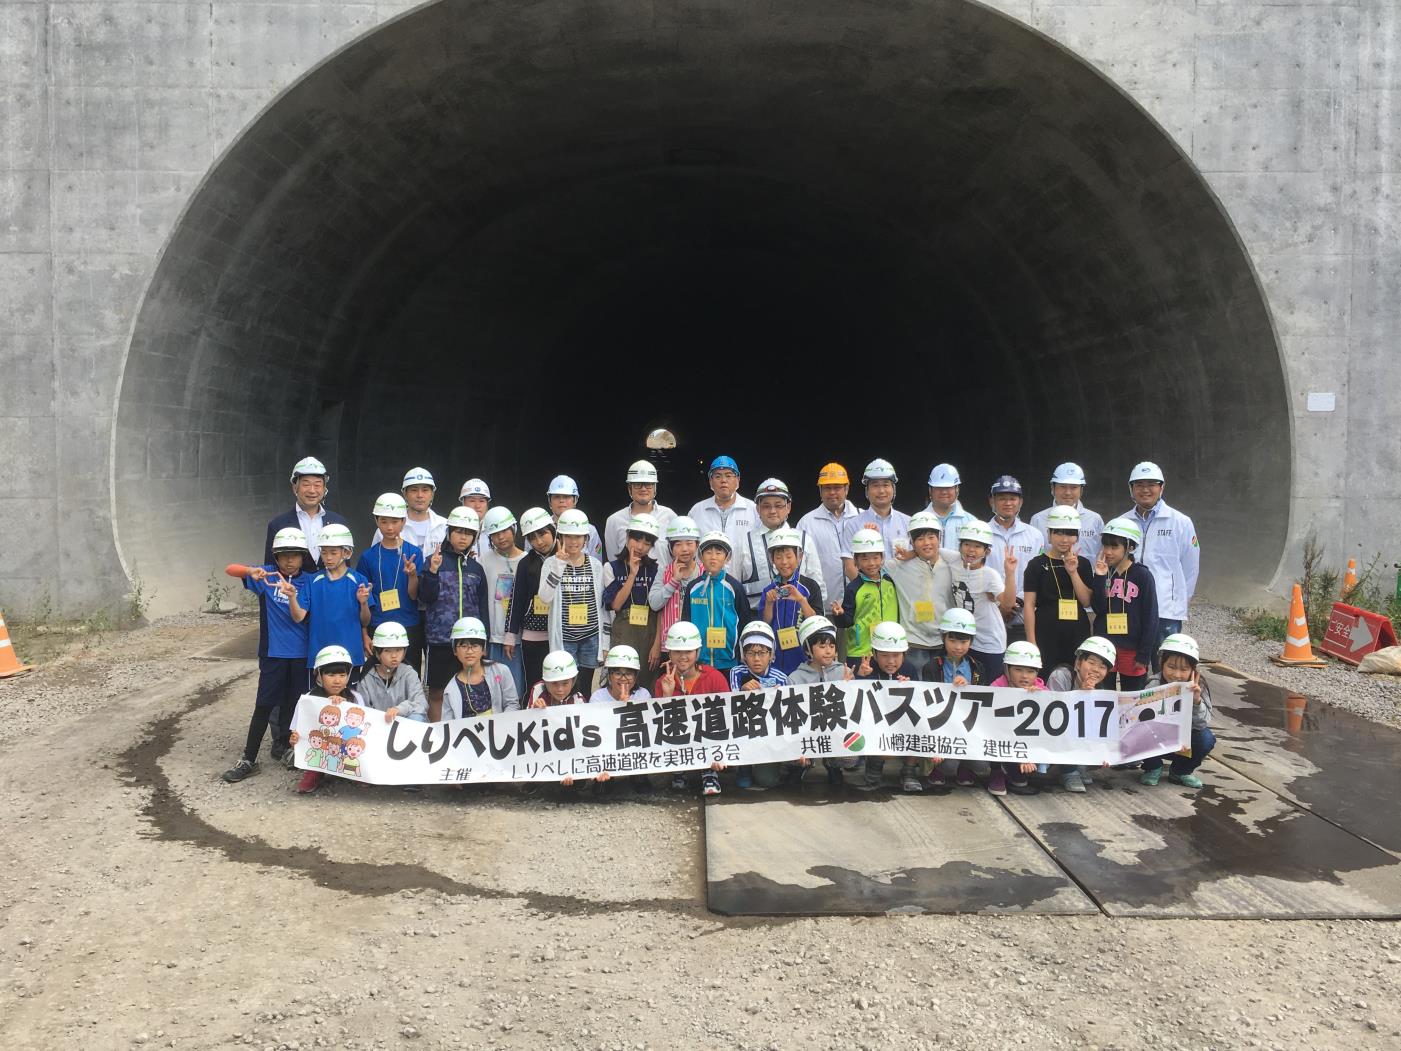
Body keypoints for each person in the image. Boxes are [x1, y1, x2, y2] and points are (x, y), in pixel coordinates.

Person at [221, 526, 312, 783]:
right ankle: (249, 758)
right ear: (275, 557)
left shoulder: (309, 582)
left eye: (294, 555)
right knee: (264, 705)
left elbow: (300, 616)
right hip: (274, 653)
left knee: (298, 705)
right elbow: (230, 569)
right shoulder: (267, 575)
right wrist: (252, 571)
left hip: (301, 655)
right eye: (283, 555)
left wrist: (292, 596)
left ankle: (295, 750)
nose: (289, 560)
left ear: (303, 556)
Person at [418, 506, 490, 718]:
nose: (463, 537)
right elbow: (425, 597)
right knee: (438, 691)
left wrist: (482, 640)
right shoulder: (434, 560)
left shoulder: (476, 568)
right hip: (440, 639)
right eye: (458, 531)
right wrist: (432, 571)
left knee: (469, 688)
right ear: (449, 533)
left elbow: (482, 605)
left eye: (468, 533)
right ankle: (438, 737)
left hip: (469, 642)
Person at [1124, 461, 1200, 661]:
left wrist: (1182, 599)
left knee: (1167, 665)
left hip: (1166, 609)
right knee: (1134, 667)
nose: (1145, 490)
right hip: (1131, 607)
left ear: (1161, 487)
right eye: (1139, 484)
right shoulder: (1122, 523)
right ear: (1131, 489)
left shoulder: (1180, 522)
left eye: (1152, 484)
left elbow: (1191, 566)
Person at [284, 523, 374, 683]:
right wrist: (292, 597)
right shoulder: (313, 581)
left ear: (347, 552)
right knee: (320, 703)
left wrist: (364, 603)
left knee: (348, 703)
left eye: (333, 552)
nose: (328, 557)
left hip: (350, 654)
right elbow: (298, 617)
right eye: (324, 552)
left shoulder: (358, 580)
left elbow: (365, 621)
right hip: (319, 655)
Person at [653, 621, 731, 796]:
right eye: (677, 652)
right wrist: (667, 695)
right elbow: (657, 723)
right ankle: (679, 770)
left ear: (697, 652)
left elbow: (728, 714)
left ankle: (709, 771)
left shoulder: (714, 677)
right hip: (679, 736)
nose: (683, 657)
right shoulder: (662, 682)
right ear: (670, 654)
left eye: (688, 651)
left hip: (708, 737)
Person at [537, 508, 609, 681]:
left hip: (591, 636)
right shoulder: (551, 563)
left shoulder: (595, 565)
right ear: (560, 538)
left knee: (586, 684)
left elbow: (602, 605)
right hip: (565, 637)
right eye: (568, 536)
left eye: (578, 537)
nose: (573, 541)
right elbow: (545, 598)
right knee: (566, 680)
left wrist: (605, 641)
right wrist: (559, 566)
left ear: (586, 539)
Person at [1022, 505, 1094, 673]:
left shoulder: (1082, 563)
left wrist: (1073, 572)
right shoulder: (1036, 564)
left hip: (1076, 631)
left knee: (1076, 678)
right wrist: (1032, 642)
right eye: (1058, 533)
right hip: (1046, 632)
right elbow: (1029, 605)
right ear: (1049, 534)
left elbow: (1086, 601)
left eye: (1069, 533)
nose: (1064, 539)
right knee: (1046, 678)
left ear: (1077, 536)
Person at [357, 493, 424, 673]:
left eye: (395, 521)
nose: (389, 527)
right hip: (377, 624)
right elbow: (362, 601)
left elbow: (413, 595)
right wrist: (364, 635)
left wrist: (412, 575)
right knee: (377, 677)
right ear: (376, 521)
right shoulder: (367, 556)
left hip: (408, 624)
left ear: (403, 521)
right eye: (384, 521)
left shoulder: (413, 552)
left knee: (409, 676)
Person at [855, 622, 924, 794]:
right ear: (875, 654)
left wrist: (909, 687)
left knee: (919, 726)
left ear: (904, 654)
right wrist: (861, 677)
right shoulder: (867, 668)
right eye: (885, 655)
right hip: (877, 722)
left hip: (901, 722)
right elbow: (855, 701)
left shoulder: (909, 669)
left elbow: (920, 703)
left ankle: (909, 770)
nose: (891, 661)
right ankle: (874, 765)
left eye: (896, 655)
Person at [1091, 517, 1159, 690]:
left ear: (1130, 547)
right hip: (1106, 647)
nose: (1108, 551)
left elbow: (1151, 617)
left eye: (1114, 547)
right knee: (1105, 696)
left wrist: (1144, 654)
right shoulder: (1105, 572)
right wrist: (1099, 576)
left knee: (1132, 699)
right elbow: (1097, 608)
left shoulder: (1143, 576)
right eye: (1105, 546)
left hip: (1132, 649)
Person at [885, 511, 954, 680]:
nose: (927, 543)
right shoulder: (899, 566)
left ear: (939, 537)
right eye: (920, 539)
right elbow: (870, 563)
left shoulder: (952, 565)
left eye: (931, 537)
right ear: (912, 542)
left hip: (943, 641)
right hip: (913, 642)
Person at [1139, 633, 1214, 789]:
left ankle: (1180, 771)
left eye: (1184, 669)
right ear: (1162, 663)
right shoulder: (1153, 685)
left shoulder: (1199, 687)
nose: (1176, 674)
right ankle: (1153, 767)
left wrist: (1196, 701)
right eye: (1171, 667)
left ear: (1193, 670)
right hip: (1157, 741)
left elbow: (1202, 724)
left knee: (1206, 738)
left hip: (1182, 745)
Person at [788, 616, 856, 785]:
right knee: (788, 752)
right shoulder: (795, 677)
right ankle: (802, 765)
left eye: (832, 646)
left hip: (835, 729)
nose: (828, 651)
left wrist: (848, 686)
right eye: (822, 646)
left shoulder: (843, 672)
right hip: (806, 731)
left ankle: (833, 764)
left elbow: (853, 707)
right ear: (808, 649)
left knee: (851, 757)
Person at [1044, 636, 1117, 793]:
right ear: (1078, 662)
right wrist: (1081, 694)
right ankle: (1068, 771)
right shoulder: (1061, 676)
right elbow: (1054, 714)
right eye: (1091, 662)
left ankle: (1080, 764)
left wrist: (1105, 752)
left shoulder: (1101, 691)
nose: (1096, 670)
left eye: (1103, 666)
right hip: (1053, 731)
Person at [947, 520, 1016, 681]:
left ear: (987, 552)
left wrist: (1010, 573)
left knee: (989, 690)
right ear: (960, 546)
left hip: (989, 643)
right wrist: (909, 554)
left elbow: (1007, 604)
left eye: (978, 546)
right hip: (964, 642)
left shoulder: (989, 575)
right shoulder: (954, 560)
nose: (971, 550)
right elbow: (931, 551)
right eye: (967, 544)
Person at [729, 622, 794, 792]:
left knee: (767, 780)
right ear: (743, 654)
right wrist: (742, 690)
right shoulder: (736, 672)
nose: (757, 658)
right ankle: (744, 768)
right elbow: (730, 705)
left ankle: (773, 764)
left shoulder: (780, 677)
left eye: (762, 653)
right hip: (745, 729)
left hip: (769, 734)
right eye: (751, 653)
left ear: (771, 654)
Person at [290, 645, 362, 794]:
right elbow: (297, 729)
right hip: (321, 747)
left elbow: (361, 728)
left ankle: (355, 768)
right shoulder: (308, 700)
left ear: (349, 676)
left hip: (346, 747)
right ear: (319, 675)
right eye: (331, 675)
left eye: (342, 675)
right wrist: (295, 738)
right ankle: (315, 772)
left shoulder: (356, 698)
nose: (337, 680)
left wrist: (344, 705)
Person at [926, 608, 986, 788]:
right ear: (943, 638)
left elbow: (984, 699)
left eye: (964, 641)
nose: (958, 646)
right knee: (947, 763)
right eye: (952, 640)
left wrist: (968, 686)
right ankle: (934, 768)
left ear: (971, 641)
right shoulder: (932, 666)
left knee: (982, 764)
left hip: (967, 721)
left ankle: (965, 767)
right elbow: (927, 699)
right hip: (941, 722)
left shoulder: (977, 668)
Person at [737, 478, 822, 604]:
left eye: (778, 505)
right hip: (757, 618)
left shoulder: (804, 540)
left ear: (788, 507)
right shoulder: (744, 542)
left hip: (799, 617)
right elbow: (734, 585)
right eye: (766, 506)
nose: (772, 511)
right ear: (758, 509)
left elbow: (817, 583)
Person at [680, 531, 754, 676]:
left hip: (729, 661)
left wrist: (740, 653)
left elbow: (744, 622)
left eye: (719, 553)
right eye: (708, 552)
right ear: (701, 556)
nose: (713, 557)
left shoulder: (735, 587)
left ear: (727, 557)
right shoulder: (693, 587)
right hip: (699, 661)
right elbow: (686, 622)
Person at [602, 513, 662, 689]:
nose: (641, 547)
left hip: (650, 630)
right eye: (637, 540)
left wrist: (657, 644)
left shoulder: (656, 569)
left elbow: (659, 609)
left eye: (647, 543)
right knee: (623, 677)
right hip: (624, 629)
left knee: (648, 680)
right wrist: (632, 574)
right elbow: (616, 605)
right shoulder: (611, 567)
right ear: (627, 537)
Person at [263, 456, 348, 575]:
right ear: (295, 488)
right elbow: (271, 569)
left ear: (324, 489)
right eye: (306, 484)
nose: (312, 490)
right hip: (293, 591)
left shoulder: (338, 522)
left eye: (317, 485)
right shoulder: (278, 525)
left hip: (329, 591)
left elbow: (345, 566)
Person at [756, 527, 823, 676]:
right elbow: (765, 623)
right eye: (778, 557)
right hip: (776, 656)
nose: (784, 562)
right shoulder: (769, 589)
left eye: (789, 556)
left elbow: (817, 624)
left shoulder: (810, 586)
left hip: (804, 656)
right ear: (772, 559)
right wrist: (768, 603)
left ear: (799, 557)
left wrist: (801, 600)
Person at [796, 462, 860, 617]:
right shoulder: (807, 523)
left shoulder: (860, 517)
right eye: (827, 488)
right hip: (823, 609)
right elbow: (800, 569)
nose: (832, 492)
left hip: (859, 607)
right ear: (820, 490)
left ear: (847, 489)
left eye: (837, 487)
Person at [830, 527, 900, 668]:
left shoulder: (891, 581)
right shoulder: (854, 588)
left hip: (889, 648)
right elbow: (846, 622)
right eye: (865, 558)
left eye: (875, 557)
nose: (871, 563)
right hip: (861, 651)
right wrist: (840, 615)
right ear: (856, 561)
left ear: (882, 558)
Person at [504, 507, 557, 691]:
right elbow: (516, 599)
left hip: (561, 632)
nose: (539, 541)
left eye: (543, 534)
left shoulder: (565, 557)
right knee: (535, 683)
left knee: (561, 681)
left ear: (553, 530)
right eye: (532, 538)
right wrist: (510, 635)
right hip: (533, 634)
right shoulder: (525, 563)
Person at [985, 476, 1043, 645]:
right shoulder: (981, 532)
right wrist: (1001, 603)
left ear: (1021, 502)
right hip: (990, 616)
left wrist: (1014, 602)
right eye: (1002, 498)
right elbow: (977, 574)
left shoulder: (1034, 535)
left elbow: (1037, 576)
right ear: (991, 501)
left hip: (1023, 617)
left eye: (1012, 498)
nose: (1008, 503)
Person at [983, 641, 1044, 797]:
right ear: (1007, 670)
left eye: (1030, 671)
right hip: (1000, 740)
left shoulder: (1042, 691)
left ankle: (1012, 768)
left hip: (1025, 745)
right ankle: (996, 770)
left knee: (1022, 778)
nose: (1024, 676)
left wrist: (1039, 698)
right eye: (1018, 670)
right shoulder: (996, 688)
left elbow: (1046, 729)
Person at [477, 506, 527, 694]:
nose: (501, 537)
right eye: (495, 534)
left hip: (518, 639)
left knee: (515, 688)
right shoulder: (484, 560)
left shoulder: (526, 560)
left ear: (514, 528)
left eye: (505, 530)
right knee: (492, 688)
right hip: (492, 638)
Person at [840, 459, 911, 578]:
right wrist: (870, 591)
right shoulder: (853, 525)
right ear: (866, 491)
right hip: (868, 593)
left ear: (894, 489)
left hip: (904, 592)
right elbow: (849, 567)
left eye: (886, 485)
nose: (881, 490)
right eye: (875, 485)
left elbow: (918, 559)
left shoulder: (908, 522)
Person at [648, 516, 701, 671]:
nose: (684, 549)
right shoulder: (664, 571)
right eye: (678, 544)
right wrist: (674, 581)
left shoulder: (705, 572)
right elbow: (655, 604)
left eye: (689, 543)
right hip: (670, 645)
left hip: (696, 644)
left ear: (697, 545)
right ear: (670, 547)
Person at [440, 616, 521, 719]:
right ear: (455, 650)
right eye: (463, 646)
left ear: (484, 649)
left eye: (475, 646)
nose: (469, 651)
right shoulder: (451, 689)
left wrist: (500, 724)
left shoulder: (501, 671)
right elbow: (448, 724)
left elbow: (512, 704)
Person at [604, 460, 675, 567]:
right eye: (637, 484)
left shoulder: (670, 516)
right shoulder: (614, 521)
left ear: (655, 488)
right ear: (629, 488)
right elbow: (613, 560)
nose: (643, 489)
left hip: (665, 583)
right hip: (628, 582)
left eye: (648, 484)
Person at [1029, 462, 1104, 563]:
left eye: (1073, 487)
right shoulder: (1038, 519)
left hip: (1086, 578)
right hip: (1050, 578)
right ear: (1052, 488)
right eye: (1063, 487)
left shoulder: (1095, 520)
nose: (1068, 492)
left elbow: (1102, 554)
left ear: (1081, 490)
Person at [356, 621, 429, 723]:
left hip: (403, 725)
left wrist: (399, 709)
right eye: (387, 651)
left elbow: (421, 703)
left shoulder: (409, 673)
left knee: (417, 717)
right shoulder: (367, 677)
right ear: (377, 653)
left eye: (398, 650)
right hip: (376, 727)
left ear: (405, 652)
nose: (394, 655)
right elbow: (360, 707)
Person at [687, 455, 757, 558]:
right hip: (706, 574)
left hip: (743, 574)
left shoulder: (753, 509)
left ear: (737, 480)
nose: (723, 480)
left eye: (728, 476)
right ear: (711, 481)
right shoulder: (697, 511)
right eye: (718, 476)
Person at [385, 467, 448, 558]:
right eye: (414, 490)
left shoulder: (445, 526)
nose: (420, 495)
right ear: (405, 494)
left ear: (432, 494)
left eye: (425, 490)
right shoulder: (388, 527)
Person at [546, 475, 604, 560]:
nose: (561, 501)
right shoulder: (541, 528)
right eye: (557, 497)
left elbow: (596, 565)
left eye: (566, 496)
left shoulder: (590, 530)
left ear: (575, 500)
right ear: (550, 501)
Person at [924, 463, 974, 547]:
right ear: (930, 490)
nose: (943, 492)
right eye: (938, 487)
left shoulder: (971, 522)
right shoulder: (918, 521)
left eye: (948, 487)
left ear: (957, 489)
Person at [458, 478, 492, 559]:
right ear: (463, 502)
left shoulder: (495, 528)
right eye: (472, 501)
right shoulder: (453, 529)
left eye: (482, 501)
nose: (477, 506)